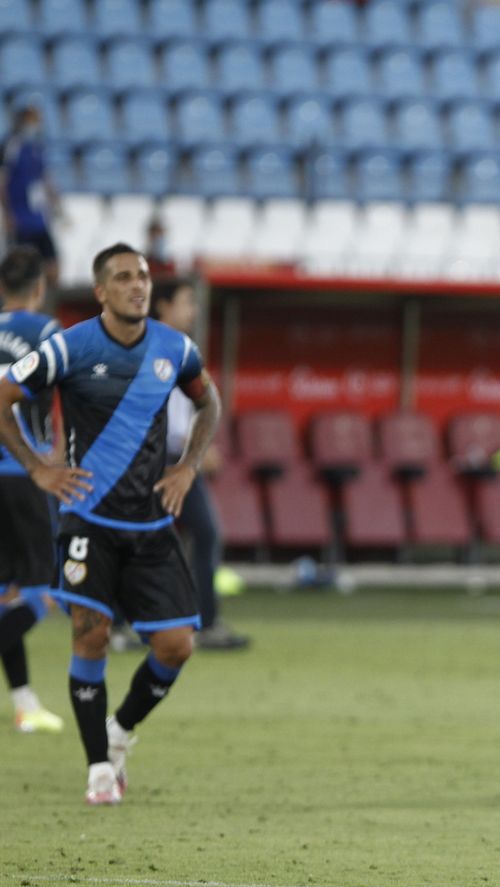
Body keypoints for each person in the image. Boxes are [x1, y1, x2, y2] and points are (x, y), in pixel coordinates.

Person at [0, 243, 221, 805]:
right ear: (101, 291)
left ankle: (119, 730)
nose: (137, 285)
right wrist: (38, 468)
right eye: (123, 277)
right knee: (89, 634)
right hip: (87, 519)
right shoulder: (68, 347)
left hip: (149, 525)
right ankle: (98, 765)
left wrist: (188, 466)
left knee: (176, 646)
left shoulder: (175, 349)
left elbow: (208, 400)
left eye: (143, 276)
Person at [155, 277, 249, 650]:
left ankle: (205, 622)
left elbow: (189, 409)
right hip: (151, 459)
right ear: (162, 306)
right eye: (186, 302)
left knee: (205, 533)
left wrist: (196, 448)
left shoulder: (184, 348)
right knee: (133, 540)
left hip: (179, 459)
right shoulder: (146, 347)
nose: (193, 310)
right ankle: (119, 625)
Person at [0, 246, 63, 733]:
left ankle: (24, 704)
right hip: (24, 473)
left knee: (5, 594)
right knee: (45, 589)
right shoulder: (47, 333)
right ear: (39, 288)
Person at [1, 104, 61, 293]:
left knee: (52, 263)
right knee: (19, 266)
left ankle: (48, 302)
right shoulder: (12, 145)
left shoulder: (36, 147)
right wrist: (7, 213)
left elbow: (44, 177)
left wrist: (55, 201)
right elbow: (2, 180)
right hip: (20, 216)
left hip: (39, 218)